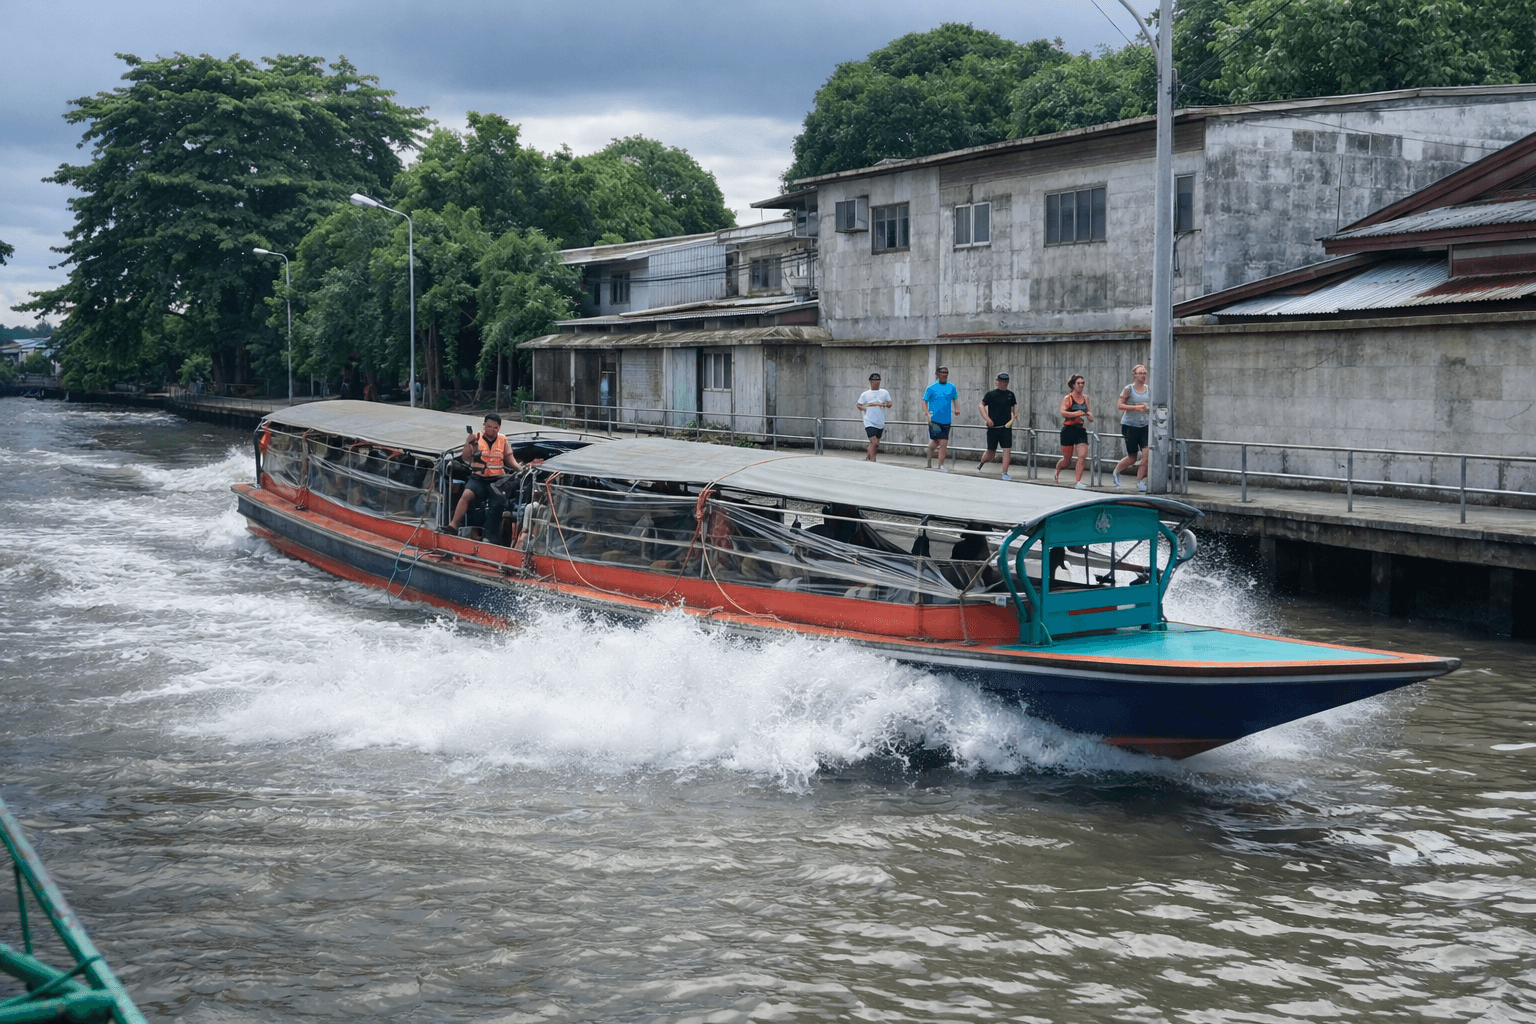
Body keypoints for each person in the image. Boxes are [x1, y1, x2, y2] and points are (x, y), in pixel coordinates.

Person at [447, 412, 522, 536]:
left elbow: (510, 460)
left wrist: (521, 470)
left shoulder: (503, 440)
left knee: (496, 504)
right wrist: (468, 443)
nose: (492, 430)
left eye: (495, 427)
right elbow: (466, 457)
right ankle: (453, 525)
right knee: (466, 495)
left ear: (499, 428)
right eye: (489, 426)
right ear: (484, 425)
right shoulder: (476, 438)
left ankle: (490, 536)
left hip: (498, 480)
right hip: (478, 477)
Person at [1113, 364, 1152, 492]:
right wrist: (1136, 407)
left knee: (1147, 454)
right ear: (1134, 375)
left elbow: (1153, 406)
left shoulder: (1149, 389)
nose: (1143, 375)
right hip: (1130, 425)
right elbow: (1120, 405)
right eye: (1140, 373)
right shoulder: (1128, 389)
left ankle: (1140, 481)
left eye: (1144, 373)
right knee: (1132, 457)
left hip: (1144, 425)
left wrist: (1147, 409)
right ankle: (1116, 472)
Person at [1054, 374, 1094, 490]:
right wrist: (1077, 413)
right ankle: (1057, 471)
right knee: (1067, 460)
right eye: (1078, 383)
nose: (1081, 385)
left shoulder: (1086, 398)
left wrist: (1090, 416)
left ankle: (1078, 481)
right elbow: (1063, 412)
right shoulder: (1068, 398)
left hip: (1080, 429)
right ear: (1073, 385)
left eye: (1083, 383)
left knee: (1082, 456)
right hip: (1068, 430)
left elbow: (1089, 414)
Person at [976, 372, 1018, 481]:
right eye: (1001, 381)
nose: (1004, 384)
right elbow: (981, 405)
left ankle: (1005, 472)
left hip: (1005, 428)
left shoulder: (1010, 395)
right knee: (991, 453)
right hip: (993, 428)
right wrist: (987, 418)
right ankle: (981, 464)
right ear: (997, 382)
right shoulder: (991, 394)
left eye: (1006, 382)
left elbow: (1014, 405)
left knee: (1007, 450)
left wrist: (1015, 414)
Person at [922, 366, 959, 472]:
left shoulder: (951, 386)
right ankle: (937, 463)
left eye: (946, 373)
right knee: (942, 442)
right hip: (934, 419)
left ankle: (934, 462)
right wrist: (927, 413)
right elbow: (924, 401)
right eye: (942, 373)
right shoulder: (931, 387)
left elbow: (955, 398)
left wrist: (957, 409)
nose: (945, 374)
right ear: (937, 374)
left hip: (946, 419)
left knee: (937, 442)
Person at [856, 372, 893, 461]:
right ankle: (873, 461)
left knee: (876, 444)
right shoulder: (865, 394)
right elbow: (859, 404)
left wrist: (885, 405)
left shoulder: (884, 392)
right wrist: (863, 408)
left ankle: (868, 457)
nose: (876, 383)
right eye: (874, 381)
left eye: (878, 381)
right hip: (869, 421)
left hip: (880, 421)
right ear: (871, 382)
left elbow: (890, 403)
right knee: (874, 442)